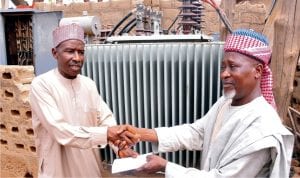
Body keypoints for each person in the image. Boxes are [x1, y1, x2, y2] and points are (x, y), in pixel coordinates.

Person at [117, 29, 295, 177]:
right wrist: (141, 134)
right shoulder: (227, 102)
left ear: (257, 71)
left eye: (233, 66)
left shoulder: (262, 128)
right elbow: (199, 132)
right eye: (222, 67)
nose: (224, 74)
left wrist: (166, 167)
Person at [29, 23, 138, 177]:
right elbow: (60, 131)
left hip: (90, 168)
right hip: (58, 169)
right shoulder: (41, 85)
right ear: (55, 53)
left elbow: (105, 119)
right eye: (70, 51)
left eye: (81, 52)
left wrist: (119, 146)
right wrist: (107, 134)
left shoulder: (88, 84)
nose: (77, 58)